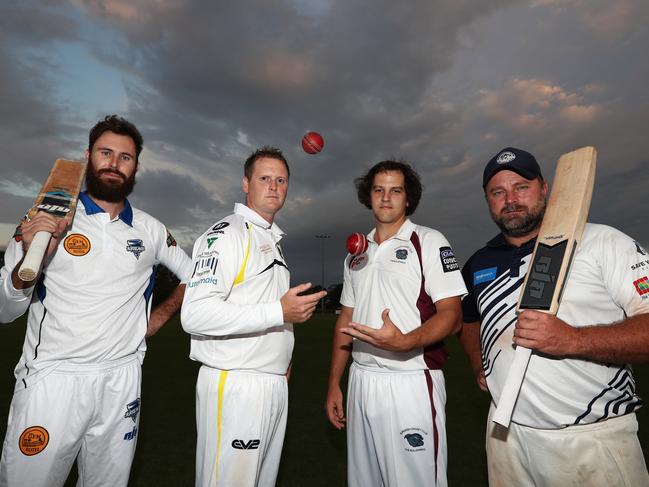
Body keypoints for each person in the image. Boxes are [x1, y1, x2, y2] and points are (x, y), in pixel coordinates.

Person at [0, 115, 192, 487]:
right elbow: (5, 310)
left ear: (136, 167)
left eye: (126, 157)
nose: (114, 164)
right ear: (88, 157)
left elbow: (195, 275)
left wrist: (156, 319)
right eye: (106, 153)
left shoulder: (150, 229)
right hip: (54, 380)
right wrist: (30, 258)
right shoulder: (44, 217)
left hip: (122, 382)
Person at [460, 147, 649, 486]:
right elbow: (469, 321)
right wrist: (479, 365)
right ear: (487, 200)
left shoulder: (603, 241)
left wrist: (573, 340)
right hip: (505, 435)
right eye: (498, 192)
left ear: (545, 188)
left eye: (521, 187)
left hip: (590, 437)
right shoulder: (479, 263)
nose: (511, 199)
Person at [180, 146, 326, 487]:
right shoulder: (227, 234)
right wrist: (279, 311)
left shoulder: (270, 239)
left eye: (281, 180)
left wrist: (281, 356)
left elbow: (257, 304)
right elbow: (196, 313)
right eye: (264, 178)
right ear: (246, 184)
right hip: (236, 384)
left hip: (270, 383)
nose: (274, 186)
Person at [325, 160, 467, 487]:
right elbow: (346, 318)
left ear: (408, 198)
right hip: (361, 380)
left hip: (411, 379)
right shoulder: (355, 253)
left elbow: (452, 315)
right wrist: (335, 382)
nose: (386, 198)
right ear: (368, 196)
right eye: (378, 189)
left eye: (395, 190)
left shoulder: (429, 241)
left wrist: (406, 341)